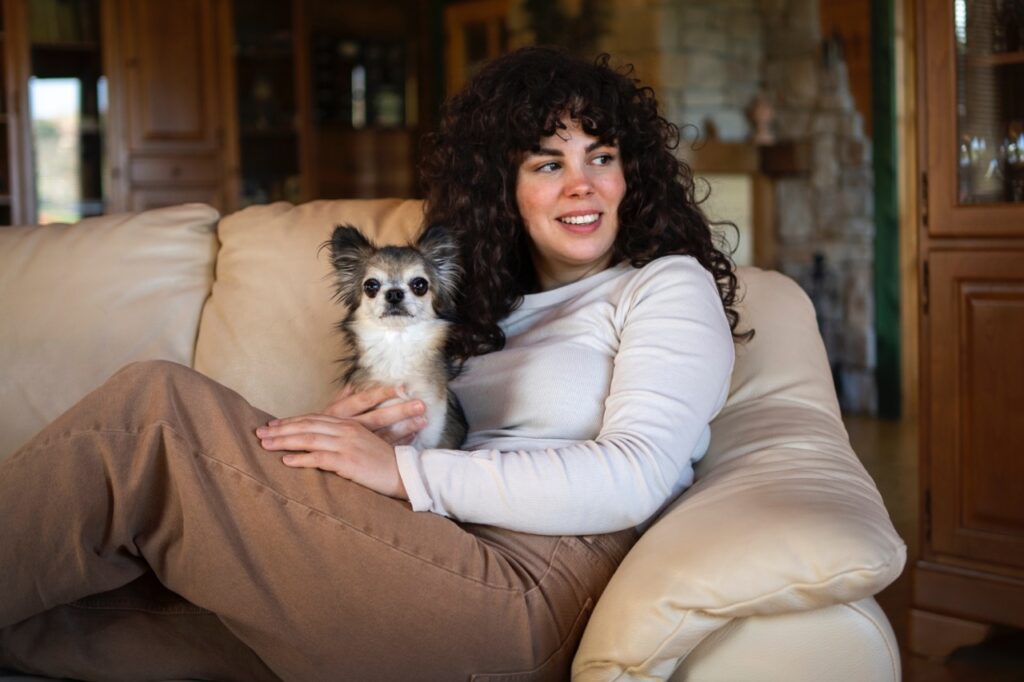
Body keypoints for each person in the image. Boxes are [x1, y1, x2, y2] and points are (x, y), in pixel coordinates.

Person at [0, 46, 746, 681]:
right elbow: (427, 457)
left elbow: (636, 475)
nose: (582, 185)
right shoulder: (485, 311)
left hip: (523, 594)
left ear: (631, 173)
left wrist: (403, 474)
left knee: (153, 413)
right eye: (548, 164)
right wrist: (351, 442)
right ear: (504, 189)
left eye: (602, 157)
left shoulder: (663, 285)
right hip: (423, 556)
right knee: (68, 614)